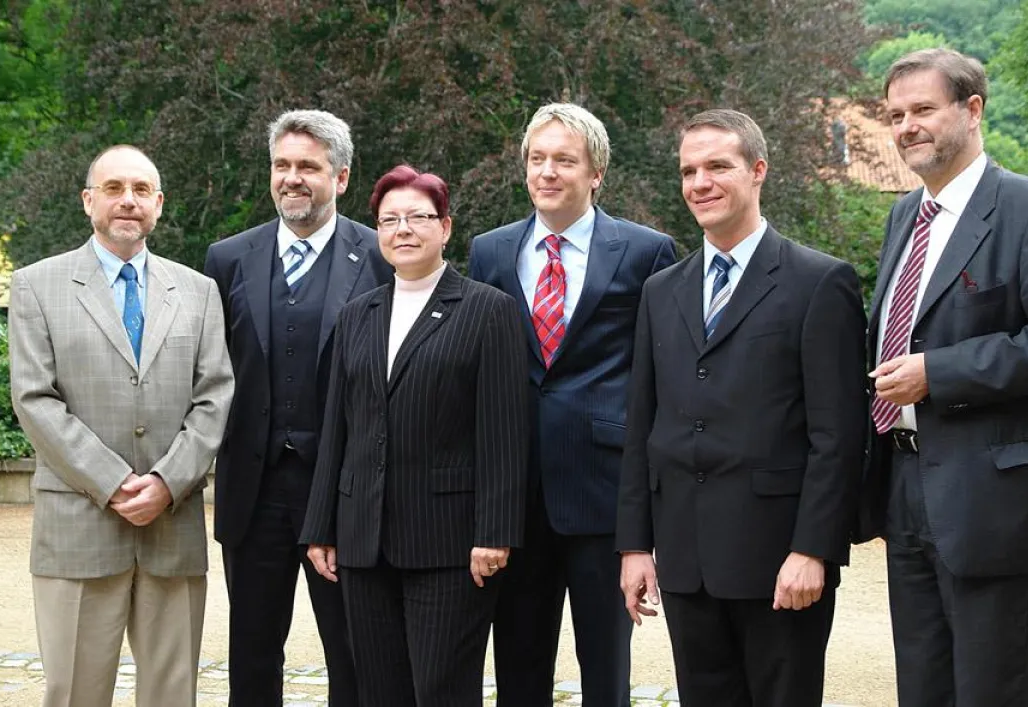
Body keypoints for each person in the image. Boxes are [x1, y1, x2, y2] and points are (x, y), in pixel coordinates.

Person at [860, 48, 1028, 706]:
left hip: (996, 496)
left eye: (923, 109)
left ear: (973, 111)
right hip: (907, 481)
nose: (907, 125)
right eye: (896, 114)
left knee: (992, 690)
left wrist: (937, 372)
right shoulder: (903, 217)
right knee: (924, 688)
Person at [616, 109, 867, 706]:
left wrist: (813, 550)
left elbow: (838, 434)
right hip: (685, 558)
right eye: (688, 171)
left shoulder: (819, 282)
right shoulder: (661, 291)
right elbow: (642, 423)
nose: (700, 182)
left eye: (717, 167)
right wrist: (634, 545)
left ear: (757, 171)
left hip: (778, 559)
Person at [8, 145, 235, 707]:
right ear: (89, 202)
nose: (127, 201)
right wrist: (111, 482)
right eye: (113, 189)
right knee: (76, 693)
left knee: (172, 694)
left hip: (171, 527)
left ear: (158, 204)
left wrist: (166, 483)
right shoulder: (38, 286)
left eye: (140, 191)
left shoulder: (199, 292)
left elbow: (215, 395)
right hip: (79, 527)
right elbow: (35, 400)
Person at [468, 102, 676, 706]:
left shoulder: (645, 252)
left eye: (565, 159)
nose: (548, 171)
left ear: (595, 173)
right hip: (516, 495)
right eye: (537, 159)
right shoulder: (491, 252)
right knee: (518, 665)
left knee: (605, 672)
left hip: (604, 493)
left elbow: (659, 376)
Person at [301, 164, 529, 706]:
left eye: (417, 217)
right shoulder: (358, 314)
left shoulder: (486, 310)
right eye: (388, 220)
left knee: (442, 691)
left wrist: (495, 532)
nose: (402, 229)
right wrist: (320, 526)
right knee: (379, 692)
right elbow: (337, 425)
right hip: (363, 540)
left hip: (449, 545)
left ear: (445, 228)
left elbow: (503, 430)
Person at [203, 109, 392, 705]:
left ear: (340, 177)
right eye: (281, 165)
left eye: (308, 166)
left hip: (345, 492)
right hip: (253, 491)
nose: (292, 178)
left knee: (353, 653)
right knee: (253, 653)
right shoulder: (228, 258)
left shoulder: (382, 257)